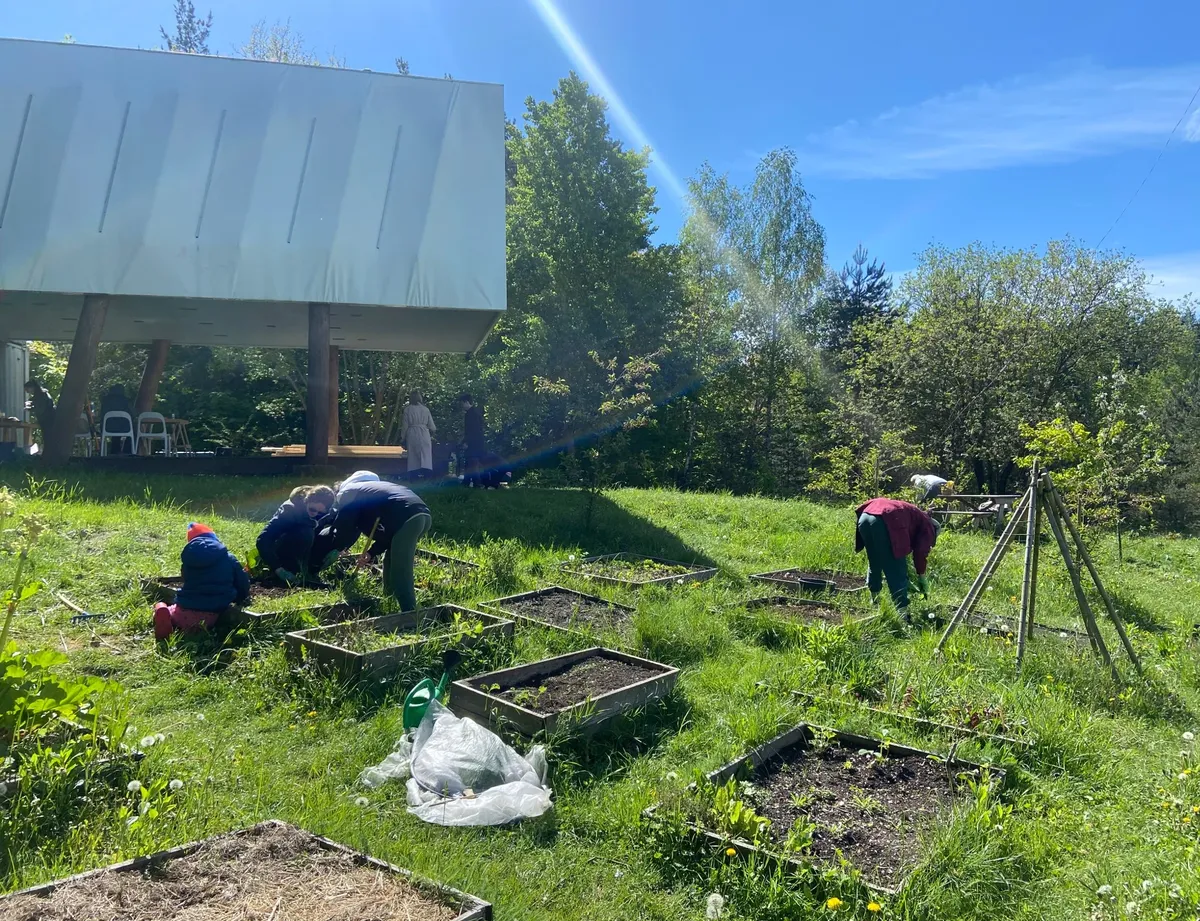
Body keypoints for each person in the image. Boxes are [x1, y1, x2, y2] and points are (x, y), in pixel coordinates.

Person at [328, 470, 432, 611]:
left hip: (408, 518)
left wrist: (339, 545)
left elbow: (345, 522)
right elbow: (387, 536)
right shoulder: (374, 493)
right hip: (422, 517)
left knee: (401, 569)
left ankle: (410, 613)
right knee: (390, 558)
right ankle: (388, 600)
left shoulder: (348, 492)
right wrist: (371, 553)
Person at [154, 522, 251, 641]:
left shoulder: (189, 559)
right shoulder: (228, 557)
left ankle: (167, 616)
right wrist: (241, 597)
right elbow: (242, 581)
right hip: (211, 614)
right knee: (199, 625)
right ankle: (191, 630)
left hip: (185, 606)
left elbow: (186, 580)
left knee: (164, 607)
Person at [854, 497, 941, 612]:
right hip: (887, 520)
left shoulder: (915, 514)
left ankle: (874, 601)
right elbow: (920, 552)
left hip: (865, 518)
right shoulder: (928, 525)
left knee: (875, 560)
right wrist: (921, 577)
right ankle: (902, 615)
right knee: (896, 568)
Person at [256, 484, 336, 584]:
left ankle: (312, 568)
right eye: (312, 510)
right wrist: (277, 568)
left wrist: (340, 547)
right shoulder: (289, 511)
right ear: (307, 501)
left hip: (306, 548)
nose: (315, 514)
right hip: (284, 547)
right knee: (305, 533)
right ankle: (290, 569)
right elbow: (263, 539)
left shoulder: (325, 513)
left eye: (320, 513)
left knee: (334, 532)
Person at [400, 391, 437, 481]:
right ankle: (427, 477)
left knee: (413, 457)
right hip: (424, 433)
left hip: (412, 433)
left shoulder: (407, 410)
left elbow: (405, 426)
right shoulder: (425, 409)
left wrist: (402, 437)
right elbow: (432, 426)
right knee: (426, 456)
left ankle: (414, 478)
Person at [458, 394, 486, 487]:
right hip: (478, 441)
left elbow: (471, 430)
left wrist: (466, 442)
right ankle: (466, 481)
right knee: (469, 461)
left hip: (473, 442)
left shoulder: (470, 414)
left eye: (462, 403)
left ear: (466, 402)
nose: (462, 406)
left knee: (472, 461)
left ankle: (476, 482)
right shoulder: (476, 412)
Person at [100, 384, 134, 454]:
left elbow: (101, 414)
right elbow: (133, 414)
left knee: (115, 430)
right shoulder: (126, 401)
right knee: (134, 430)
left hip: (107, 427)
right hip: (124, 428)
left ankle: (114, 451)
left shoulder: (105, 401)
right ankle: (127, 451)